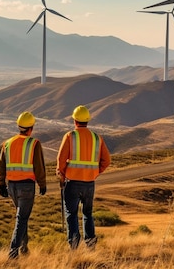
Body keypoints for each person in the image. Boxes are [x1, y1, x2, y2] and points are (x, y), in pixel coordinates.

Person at [56, 105, 111, 250]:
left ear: (74, 120)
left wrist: (62, 176)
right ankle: (91, 244)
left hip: (72, 183)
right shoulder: (97, 138)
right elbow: (107, 161)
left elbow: (61, 160)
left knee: (71, 214)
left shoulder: (70, 136)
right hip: (89, 183)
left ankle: (74, 246)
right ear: (88, 121)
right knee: (88, 213)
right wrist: (95, 172)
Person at [0, 111, 47, 259]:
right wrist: (42, 184)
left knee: (21, 217)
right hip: (26, 186)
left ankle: (24, 248)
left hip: (12, 186)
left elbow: (1, 165)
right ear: (31, 127)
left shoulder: (7, 143)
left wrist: (1, 183)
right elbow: (39, 166)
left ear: (19, 126)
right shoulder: (34, 143)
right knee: (22, 218)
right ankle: (13, 252)